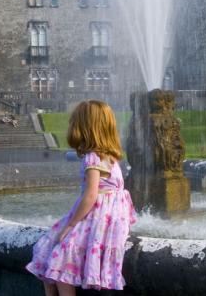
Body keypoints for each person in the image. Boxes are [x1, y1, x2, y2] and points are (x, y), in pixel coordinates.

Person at [26, 100, 136, 294]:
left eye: (74, 123)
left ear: (85, 128)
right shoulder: (111, 157)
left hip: (98, 216)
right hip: (112, 218)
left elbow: (91, 195)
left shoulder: (92, 157)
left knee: (59, 256)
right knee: (51, 248)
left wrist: (70, 225)